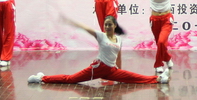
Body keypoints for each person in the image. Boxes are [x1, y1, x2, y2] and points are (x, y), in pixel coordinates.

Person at [27, 16, 168, 85]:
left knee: (132, 77)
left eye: (109, 25)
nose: (107, 27)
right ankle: (41, 78)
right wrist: (72, 22)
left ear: (114, 26)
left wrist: (120, 73)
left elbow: (118, 57)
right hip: (98, 68)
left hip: (111, 70)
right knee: (71, 79)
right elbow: (86, 28)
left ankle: (159, 79)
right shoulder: (101, 36)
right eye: (105, 25)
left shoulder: (119, 40)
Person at [123, 0, 193, 73]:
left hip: (166, 19)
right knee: (160, 44)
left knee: (161, 41)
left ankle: (158, 64)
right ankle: (168, 58)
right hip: (154, 20)